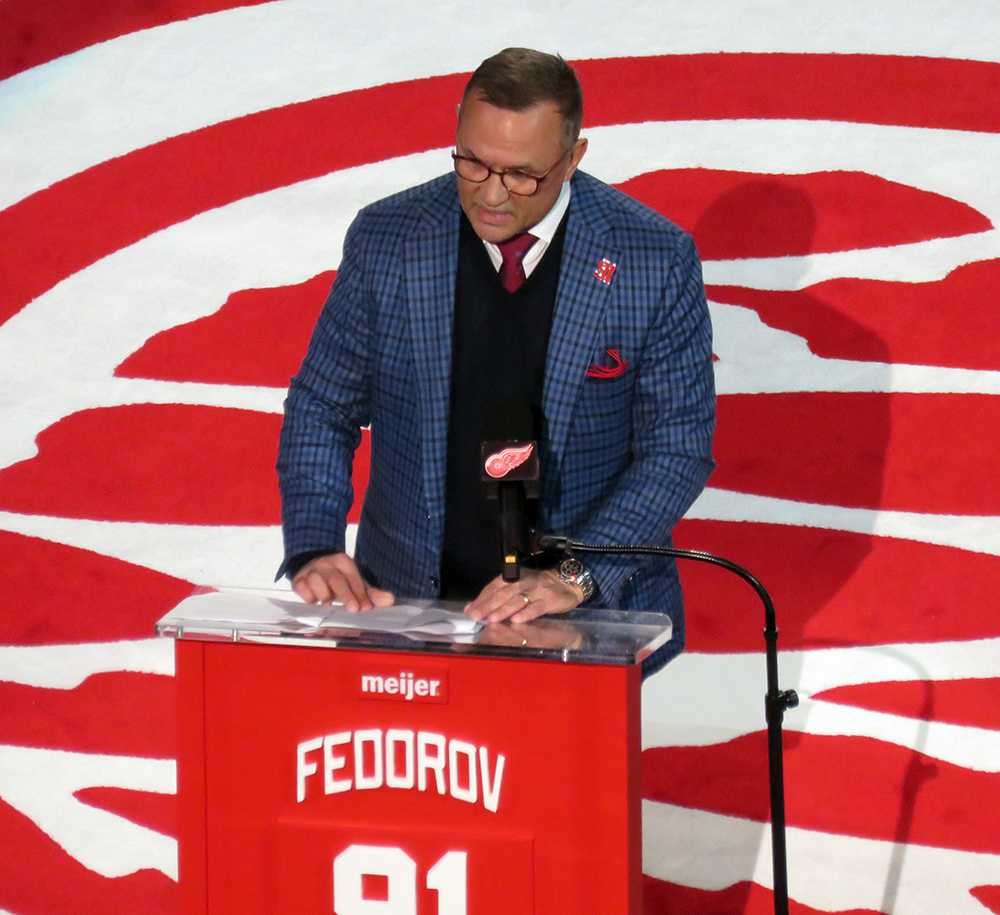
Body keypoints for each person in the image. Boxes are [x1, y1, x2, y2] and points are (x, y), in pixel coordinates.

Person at [276, 48, 715, 674]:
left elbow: (676, 448)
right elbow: (324, 405)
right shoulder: (388, 237)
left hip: (583, 623)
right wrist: (314, 544)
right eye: (472, 163)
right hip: (406, 609)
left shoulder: (653, 258)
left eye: (521, 175)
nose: (490, 194)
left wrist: (574, 575)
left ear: (573, 158)